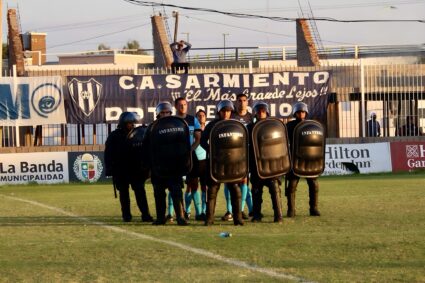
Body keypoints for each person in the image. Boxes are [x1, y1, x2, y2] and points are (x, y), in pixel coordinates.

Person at [142, 101, 189, 226]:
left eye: (167, 112)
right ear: (158, 114)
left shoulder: (178, 124)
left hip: (175, 165)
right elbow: (145, 146)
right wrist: (149, 166)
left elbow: (185, 143)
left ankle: (181, 218)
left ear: (170, 112)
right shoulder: (152, 127)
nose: (165, 114)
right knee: (159, 193)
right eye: (162, 112)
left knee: (177, 192)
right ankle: (160, 218)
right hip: (158, 166)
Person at [201, 100, 245, 226]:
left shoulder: (236, 124)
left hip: (233, 163)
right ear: (219, 112)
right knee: (212, 190)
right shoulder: (212, 125)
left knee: (235, 190)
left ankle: (238, 219)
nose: (226, 113)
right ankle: (209, 219)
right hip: (216, 163)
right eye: (223, 111)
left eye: (228, 111)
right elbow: (203, 141)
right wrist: (211, 151)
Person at [104, 112, 153, 222]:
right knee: (124, 194)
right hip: (120, 170)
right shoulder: (114, 136)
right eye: (130, 123)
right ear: (124, 123)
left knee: (140, 192)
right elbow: (108, 153)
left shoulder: (138, 133)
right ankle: (126, 215)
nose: (132, 125)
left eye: (133, 123)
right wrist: (109, 169)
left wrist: (146, 167)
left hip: (136, 169)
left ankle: (146, 214)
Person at [247, 101, 284, 223]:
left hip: (272, 164)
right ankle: (257, 215)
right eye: (259, 111)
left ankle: (278, 215)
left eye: (263, 111)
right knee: (256, 191)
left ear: (266, 112)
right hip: (256, 165)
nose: (261, 113)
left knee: (274, 188)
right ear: (255, 113)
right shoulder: (250, 127)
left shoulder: (274, 126)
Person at [285, 102, 321, 217]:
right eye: (299, 112)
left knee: (314, 184)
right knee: (291, 185)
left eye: (303, 112)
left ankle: (313, 208)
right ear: (295, 113)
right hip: (295, 159)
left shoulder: (311, 125)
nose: (301, 114)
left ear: (306, 113)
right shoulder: (289, 126)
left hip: (309, 160)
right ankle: (291, 210)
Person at [222, 93, 253, 221]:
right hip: (231, 153)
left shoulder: (251, 117)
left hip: (245, 153)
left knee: (244, 181)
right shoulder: (231, 116)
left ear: (247, 102)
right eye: (239, 100)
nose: (242, 102)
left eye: (244, 100)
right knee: (228, 182)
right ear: (236, 102)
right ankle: (229, 210)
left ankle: (239, 210)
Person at [174, 97, 204, 221]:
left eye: (185, 104)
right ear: (175, 106)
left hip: (191, 156)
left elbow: (197, 138)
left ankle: (199, 213)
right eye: (180, 105)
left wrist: (190, 151)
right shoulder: (172, 120)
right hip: (175, 157)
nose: (183, 107)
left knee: (194, 184)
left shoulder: (193, 120)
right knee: (174, 184)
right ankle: (173, 213)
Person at [195, 109, 208, 217]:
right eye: (199, 116)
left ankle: (204, 211)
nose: (201, 117)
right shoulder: (193, 130)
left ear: (206, 118)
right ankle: (190, 211)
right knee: (191, 187)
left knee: (205, 187)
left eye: (203, 115)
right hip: (194, 160)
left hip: (205, 162)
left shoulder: (209, 130)